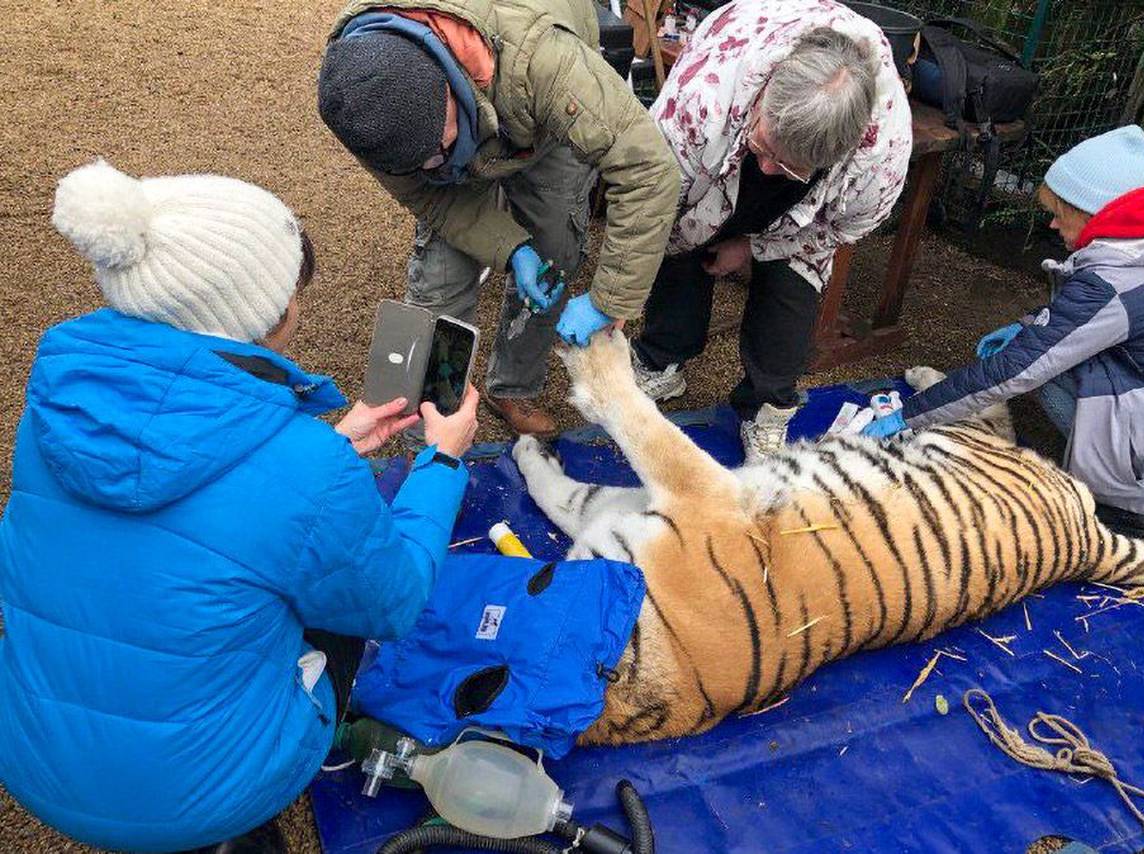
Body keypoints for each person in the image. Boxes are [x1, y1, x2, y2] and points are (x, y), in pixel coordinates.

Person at [0, 160, 479, 854]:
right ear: (262, 311)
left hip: (34, 756)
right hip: (198, 795)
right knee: (339, 607)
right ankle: (238, 827)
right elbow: (395, 602)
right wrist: (441, 463)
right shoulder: (300, 466)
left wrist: (336, 446)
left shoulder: (59, 410)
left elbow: (194, 498)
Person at [864, 125, 1144, 526]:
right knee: (1056, 353)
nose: (1052, 224)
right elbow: (1097, 323)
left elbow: (1017, 369)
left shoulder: (1114, 282)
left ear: (1092, 212)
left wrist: (910, 416)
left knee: (1044, 372)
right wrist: (1030, 326)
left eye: (1058, 212)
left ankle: (1128, 505)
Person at [317, 0, 679, 438]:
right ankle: (435, 419)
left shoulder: (546, 62)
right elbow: (438, 201)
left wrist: (609, 301)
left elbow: (649, 169)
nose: (439, 165)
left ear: (448, 86)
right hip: (474, 103)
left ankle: (513, 387)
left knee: (555, 249)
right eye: (421, 163)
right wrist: (512, 248)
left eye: (441, 146)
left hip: (539, 121)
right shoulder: (358, 104)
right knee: (439, 276)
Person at [630, 0, 912, 462]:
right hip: (719, 143)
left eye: (786, 166)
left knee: (792, 287)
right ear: (763, 100)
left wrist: (755, 244)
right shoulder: (704, 98)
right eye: (763, 148)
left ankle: (766, 407)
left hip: (810, 201)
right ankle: (663, 357)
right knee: (683, 235)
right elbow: (654, 202)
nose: (766, 167)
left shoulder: (879, 160)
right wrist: (619, 297)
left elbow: (838, 230)